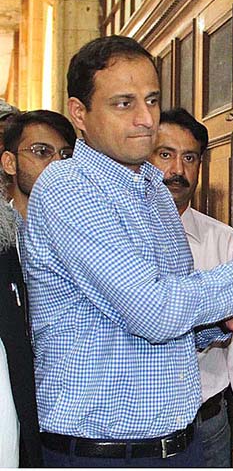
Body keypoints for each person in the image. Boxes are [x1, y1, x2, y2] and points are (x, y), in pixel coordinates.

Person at [22, 35, 233, 467]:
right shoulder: (67, 189)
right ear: (80, 114)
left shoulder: (152, 191)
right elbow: (154, 310)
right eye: (123, 104)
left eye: (151, 100)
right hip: (104, 455)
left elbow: (164, 328)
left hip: (178, 445)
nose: (146, 119)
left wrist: (222, 322)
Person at [150, 108, 233, 467]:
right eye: (165, 154)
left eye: (189, 157)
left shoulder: (224, 241)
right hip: (141, 433)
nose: (177, 169)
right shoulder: (125, 238)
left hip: (208, 426)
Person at [0, 110, 77, 467]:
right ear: (10, 162)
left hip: (69, 419)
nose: (57, 165)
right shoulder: (5, 239)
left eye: (64, 155)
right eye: (42, 152)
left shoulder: (82, 237)